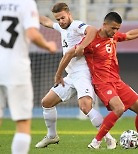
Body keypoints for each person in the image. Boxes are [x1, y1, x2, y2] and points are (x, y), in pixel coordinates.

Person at [54, 12, 138, 149]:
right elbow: (69, 53)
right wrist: (58, 74)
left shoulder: (113, 36)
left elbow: (129, 35)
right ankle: (96, 142)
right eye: (113, 28)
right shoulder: (90, 41)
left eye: (117, 29)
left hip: (117, 82)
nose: (115, 31)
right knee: (119, 108)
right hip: (102, 83)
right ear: (104, 25)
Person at [35, 2, 116, 149]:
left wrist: (82, 46)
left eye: (63, 18)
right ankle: (52, 136)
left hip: (83, 73)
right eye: (58, 19)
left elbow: (91, 30)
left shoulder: (76, 26)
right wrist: (31, 14)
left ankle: (108, 138)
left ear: (69, 14)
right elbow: (47, 22)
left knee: (85, 107)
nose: (61, 21)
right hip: (71, 76)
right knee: (47, 102)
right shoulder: (61, 26)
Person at [0, 0, 57, 153]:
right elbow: (31, 33)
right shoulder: (25, 3)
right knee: (23, 122)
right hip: (15, 67)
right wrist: (47, 45)